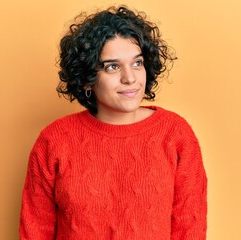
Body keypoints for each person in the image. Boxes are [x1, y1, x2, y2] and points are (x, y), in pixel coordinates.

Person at [19, 5, 207, 240]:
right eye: (112, 67)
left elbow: (189, 230)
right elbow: (36, 231)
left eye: (137, 63)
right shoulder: (54, 140)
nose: (130, 78)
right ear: (87, 79)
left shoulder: (175, 134)